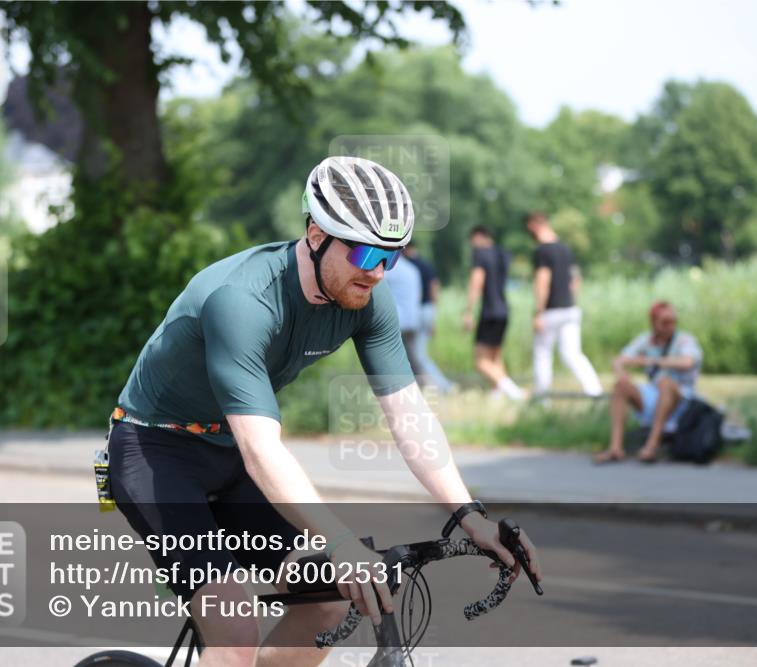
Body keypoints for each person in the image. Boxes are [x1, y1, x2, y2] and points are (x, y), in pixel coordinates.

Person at [109, 156, 541, 667]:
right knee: (235, 629)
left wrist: (469, 516)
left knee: (332, 600)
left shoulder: (365, 299)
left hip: (228, 456)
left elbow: (410, 418)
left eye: (391, 257)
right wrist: (339, 541)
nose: (377, 271)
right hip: (158, 451)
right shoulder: (242, 301)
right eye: (364, 251)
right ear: (316, 233)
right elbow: (262, 448)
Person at [595, 301, 703, 464]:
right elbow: (619, 360)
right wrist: (621, 374)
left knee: (665, 382)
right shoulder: (646, 340)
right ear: (654, 323)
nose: (670, 326)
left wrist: (652, 361)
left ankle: (652, 446)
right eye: (665, 322)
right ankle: (615, 448)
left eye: (673, 321)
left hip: (682, 397)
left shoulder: (684, 340)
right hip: (655, 395)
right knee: (621, 387)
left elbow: (688, 362)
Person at [525, 212, 602, 397]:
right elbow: (575, 280)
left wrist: (538, 312)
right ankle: (595, 391)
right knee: (573, 354)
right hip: (570, 308)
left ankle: (542, 396)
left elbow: (543, 281)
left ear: (534, 225)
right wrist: (570, 300)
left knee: (542, 354)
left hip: (550, 310)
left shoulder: (542, 251)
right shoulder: (566, 249)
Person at [463, 226, 525, 401]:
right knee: (495, 357)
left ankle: (515, 393)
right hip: (504, 310)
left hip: (489, 311)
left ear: (478, 237)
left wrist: (468, 311)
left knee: (480, 361)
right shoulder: (503, 254)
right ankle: (497, 395)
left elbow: (477, 281)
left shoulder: (481, 253)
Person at [402, 242, 454, 394]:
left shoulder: (408, 266)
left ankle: (443, 386)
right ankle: (419, 385)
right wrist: (433, 312)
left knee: (418, 355)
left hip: (416, 311)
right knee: (415, 353)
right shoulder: (426, 264)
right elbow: (435, 286)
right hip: (429, 309)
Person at [383, 244, 423, 371]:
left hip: (398, 321)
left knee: (392, 358)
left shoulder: (391, 269)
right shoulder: (413, 269)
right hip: (413, 319)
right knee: (411, 357)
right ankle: (419, 384)